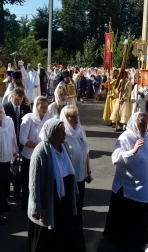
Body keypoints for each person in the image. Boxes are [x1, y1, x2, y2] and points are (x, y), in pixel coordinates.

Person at [103, 112, 148, 252]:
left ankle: (140, 239)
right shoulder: (125, 138)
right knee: (131, 215)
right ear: (134, 122)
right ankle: (138, 242)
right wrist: (133, 151)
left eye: (145, 123)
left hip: (144, 184)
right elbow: (115, 158)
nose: (143, 126)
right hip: (129, 186)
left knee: (141, 213)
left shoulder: (146, 137)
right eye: (141, 122)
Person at [28, 118, 79, 252]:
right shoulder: (41, 151)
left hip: (65, 196)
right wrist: (36, 206)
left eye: (64, 131)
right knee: (46, 235)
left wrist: (75, 190)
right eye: (61, 132)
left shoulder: (65, 146)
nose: (64, 135)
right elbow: (34, 181)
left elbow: (71, 170)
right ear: (51, 134)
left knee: (63, 231)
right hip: (50, 197)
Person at [60, 105, 91, 252]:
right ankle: (68, 237)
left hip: (81, 176)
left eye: (76, 115)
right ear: (65, 118)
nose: (75, 119)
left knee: (78, 208)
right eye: (71, 116)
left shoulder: (80, 130)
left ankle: (77, 234)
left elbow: (86, 151)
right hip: (69, 178)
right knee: (70, 207)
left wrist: (88, 171)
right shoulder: (63, 134)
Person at [19, 96, 51, 209]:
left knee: (41, 181)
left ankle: (40, 203)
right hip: (29, 156)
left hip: (44, 155)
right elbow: (22, 138)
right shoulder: (28, 119)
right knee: (28, 182)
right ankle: (26, 205)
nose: (44, 109)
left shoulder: (49, 119)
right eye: (42, 106)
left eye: (46, 106)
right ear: (36, 107)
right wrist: (38, 146)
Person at [3, 87, 31, 198]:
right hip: (9, 141)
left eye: (20, 99)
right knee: (11, 166)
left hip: (23, 141)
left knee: (21, 165)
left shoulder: (26, 108)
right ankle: (9, 188)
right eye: (17, 99)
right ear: (12, 97)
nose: (18, 101)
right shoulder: (5, 108)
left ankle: (18, 189)